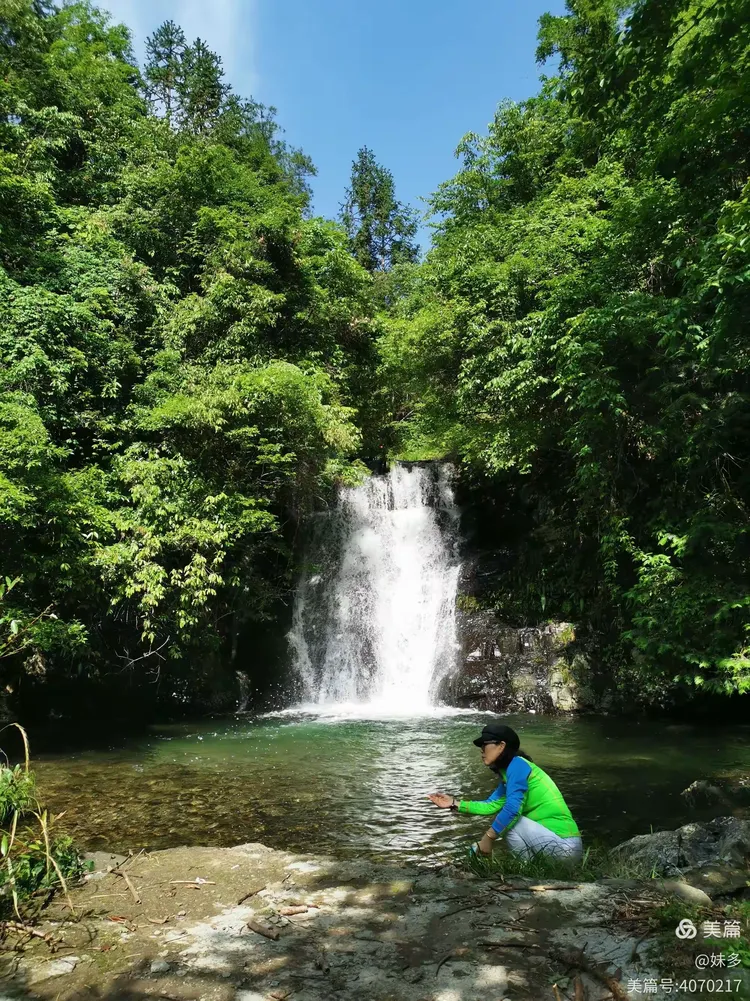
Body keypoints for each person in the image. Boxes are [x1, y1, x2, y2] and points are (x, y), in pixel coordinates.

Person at [429, 722, 582, 860]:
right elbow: (491, 805)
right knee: (506, 819)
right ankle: (529, 872)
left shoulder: (518, 765)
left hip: (565, 846)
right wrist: (454, 803)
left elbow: (513, 810)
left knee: (511, 820)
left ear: (501, 746)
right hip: (557, 846)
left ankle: (524, 870)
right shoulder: (510, 774)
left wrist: (488, 838)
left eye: (485, 745)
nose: (481, 750)